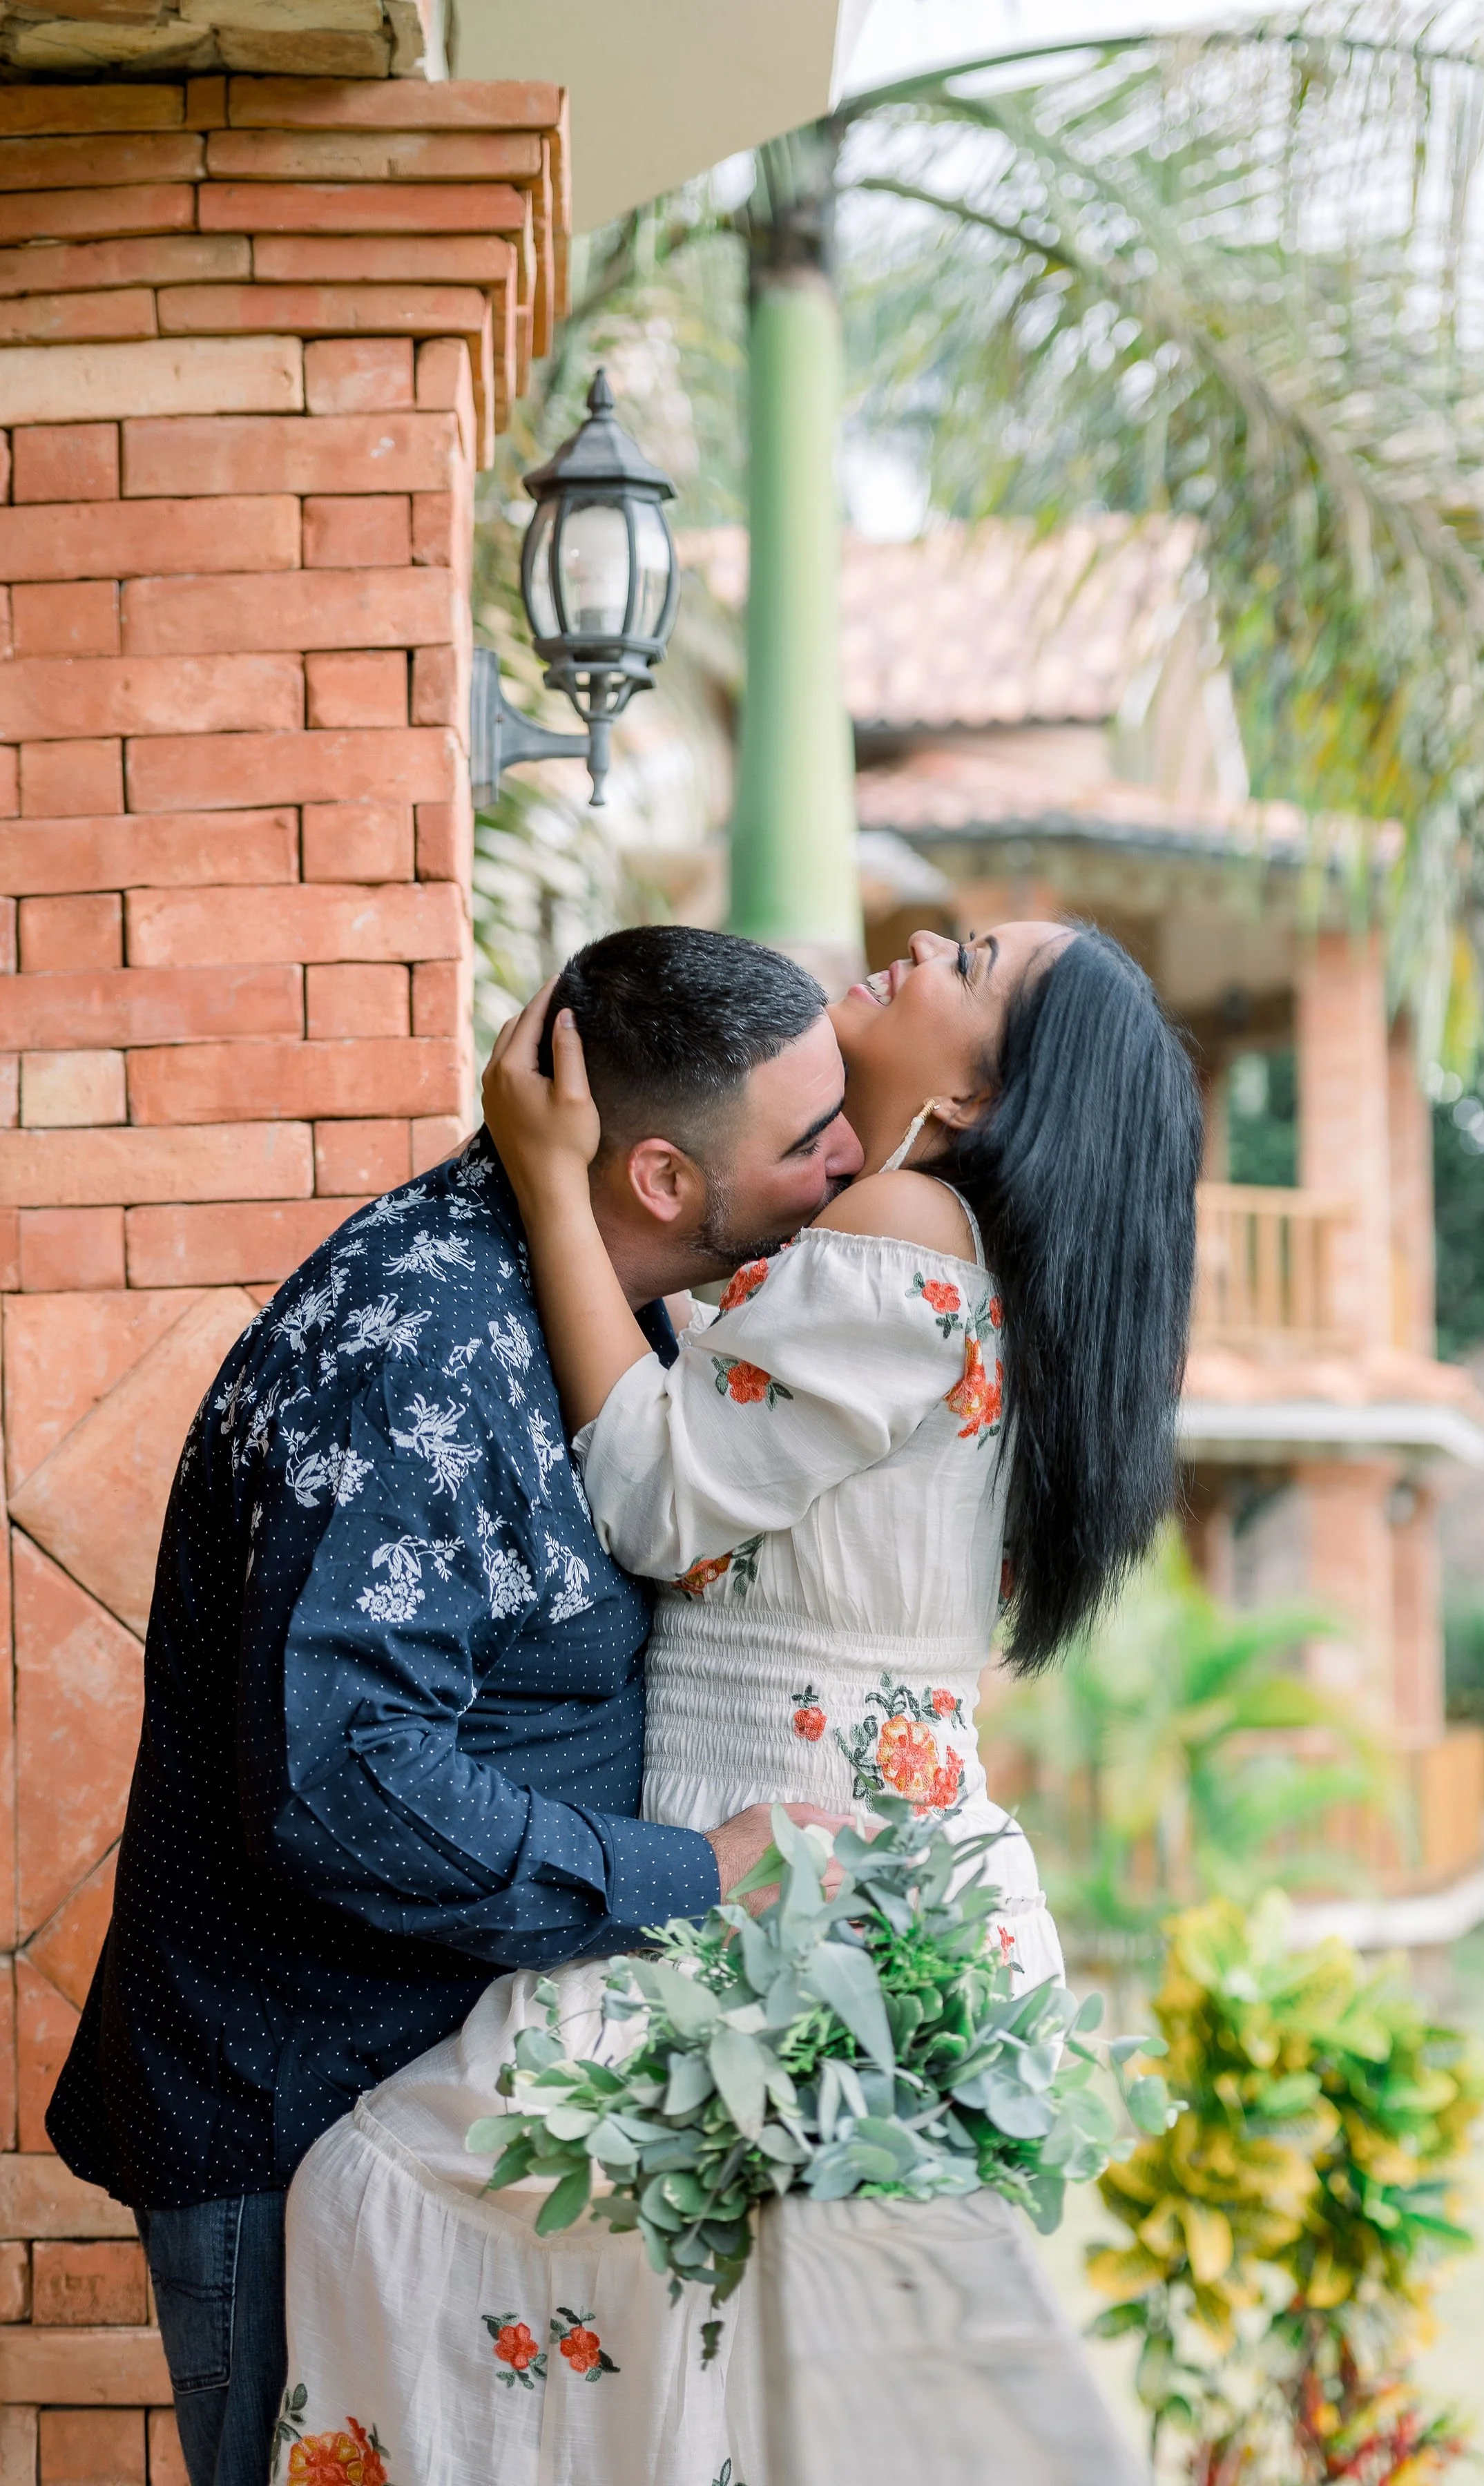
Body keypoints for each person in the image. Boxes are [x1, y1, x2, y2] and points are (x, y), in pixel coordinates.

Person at [276, 919, 1202, 2486]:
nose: (918, 944)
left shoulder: (911, 1223)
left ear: (973, 1100)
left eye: (966, 962)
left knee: (377, 2190)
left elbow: (652, 1485)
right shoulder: (953, 1261)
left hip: (778, 1876)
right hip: (864, 1869)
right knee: (709, 2352)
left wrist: (552, 1184)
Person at [46, 928, 867, 2486]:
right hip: (295, 2123)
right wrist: (696, 1877)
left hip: (426, 2115)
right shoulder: (424, 1345)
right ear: (662, 1185)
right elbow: (343, 1779)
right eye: (812, 1141)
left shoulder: (581, 1291)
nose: (846, 1165)